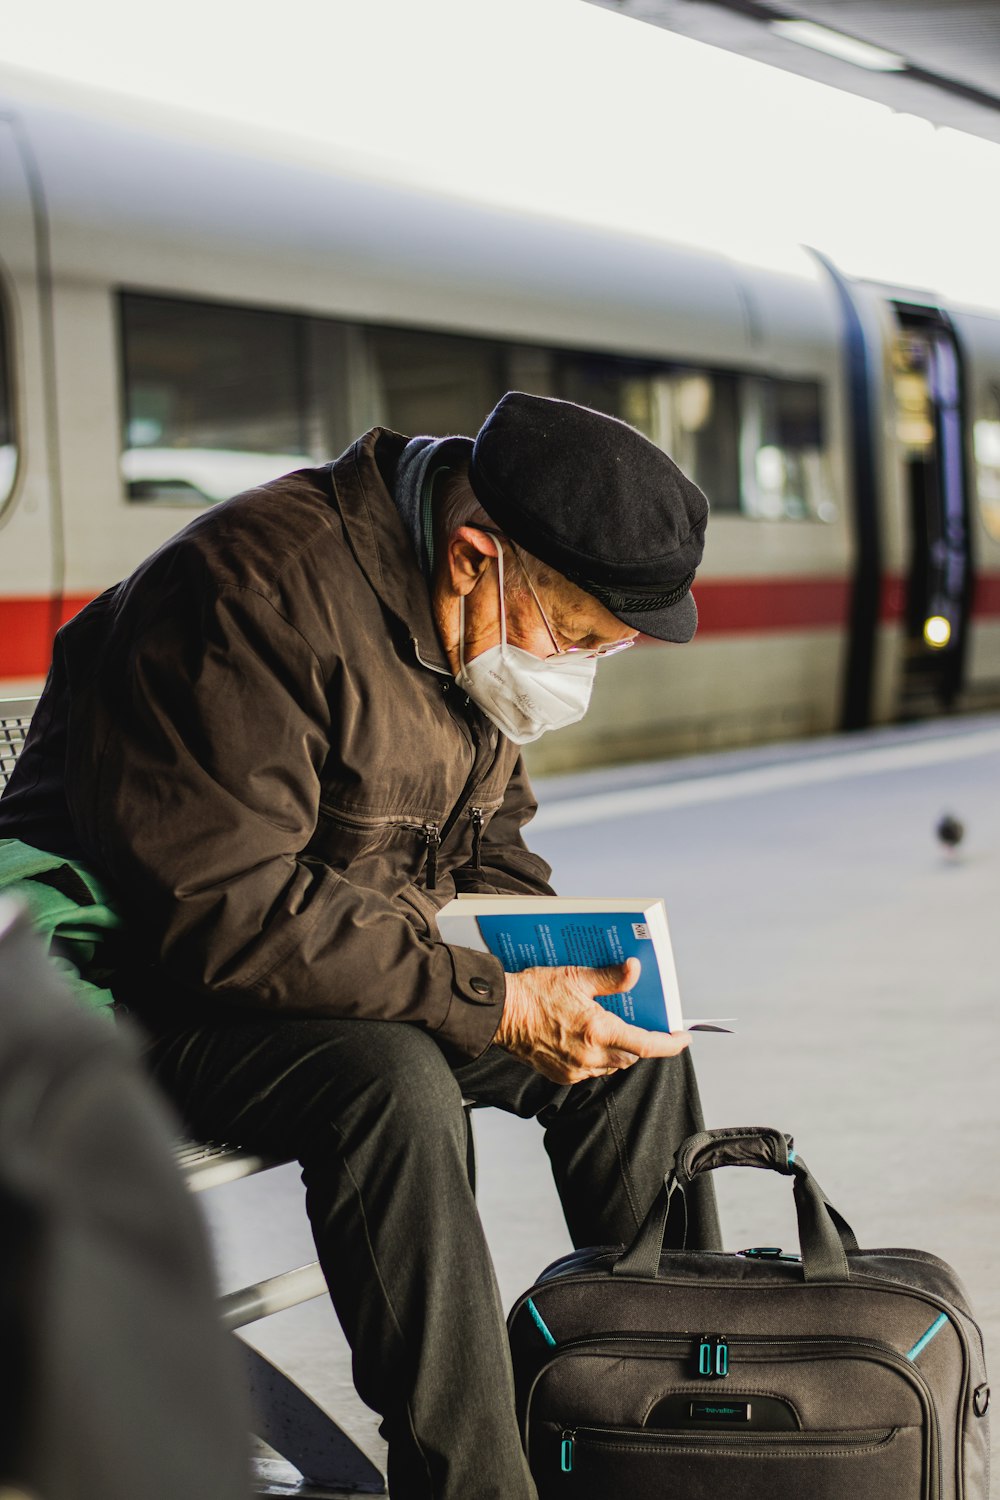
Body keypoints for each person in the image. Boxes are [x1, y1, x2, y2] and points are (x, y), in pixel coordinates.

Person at [0, 391, 720, 1500]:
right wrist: (495, 1006)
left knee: (630, 1054)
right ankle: (473, 1483)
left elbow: (489, 856)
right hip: (148, 994)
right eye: (575, 637)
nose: (576, 669)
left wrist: (563, 968)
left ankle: (681, 1432)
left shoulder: (472, 630)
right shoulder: (247, 597)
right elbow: (227, 915)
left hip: (340, 968)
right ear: (478, 558)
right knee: (389, 1084)